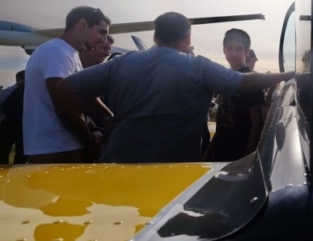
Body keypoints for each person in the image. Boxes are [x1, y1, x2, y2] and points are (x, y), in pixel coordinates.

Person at [57, 12, 293, 163]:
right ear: (188, 39)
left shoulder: (122, 63)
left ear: (155, 36)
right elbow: (245, 82)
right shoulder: (197, 67)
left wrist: (106, 117)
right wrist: (289, 74)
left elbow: (67, 88)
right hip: (172, 169)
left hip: (118, 161)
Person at [23, 6, 111, 164]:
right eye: (101, 32)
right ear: (83, 25)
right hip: (57, 150)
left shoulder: (69, 53)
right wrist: (89, 143)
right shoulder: (57, 52)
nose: (103, 40)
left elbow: (77, 101)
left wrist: (94, 129)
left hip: (62, 148)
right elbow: (64, 106)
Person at [204, 29, 266, 162]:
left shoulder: (251, 81)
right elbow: (222, 122)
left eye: (239, 49)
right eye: (229, 48)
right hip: (220, 153)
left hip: (240, 154)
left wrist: (248, 159)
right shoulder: (225, 79)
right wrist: (208, 152)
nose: (233, 53)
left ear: (247, 51)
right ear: (224, 50)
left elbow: (257, 123)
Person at [0, 70, 25, 164]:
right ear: (18, 80)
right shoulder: (5, 93)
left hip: (21, 123)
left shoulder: (28, 92)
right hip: (7, 124)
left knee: (21, 149)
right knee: (3, 148)